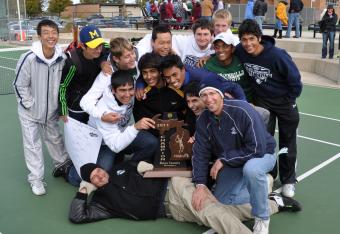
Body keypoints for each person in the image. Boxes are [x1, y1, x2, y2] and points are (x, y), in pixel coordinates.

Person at [69, 162, 302, 233]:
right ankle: (274, 204)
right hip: (169, 211)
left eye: (98, 170)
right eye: (93, 177)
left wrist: (146, 167)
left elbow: (153, 165)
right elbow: (77, 216)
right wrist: (83, 191)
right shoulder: (102, 203)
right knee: (215, 215)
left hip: (173, 187)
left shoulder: (124, 167)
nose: (98, 175)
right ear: (91, 183)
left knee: (209, 211)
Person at [192, 77, 278, 234]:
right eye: (204, 95)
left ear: (222, 94)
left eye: (213, 93)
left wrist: (224, 159)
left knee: (252, 170)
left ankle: (262, 217)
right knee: (223, 200)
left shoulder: (243, 110)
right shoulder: (203, 119)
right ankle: (261, 186)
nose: (209, 99)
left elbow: (257, 148)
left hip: (262, 155)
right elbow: (200, 152)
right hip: (235, 161)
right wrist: (200, 184)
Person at [235, 19, 303, 198]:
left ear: (259, 38)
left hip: (284, 102)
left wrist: (289, 100)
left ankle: (288, 180)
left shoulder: (277, 55)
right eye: (244, 39)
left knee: (288, 141)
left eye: (251, 38)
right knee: (264, 141)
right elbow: (224, 54)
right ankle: (269, 176)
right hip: (263, 101)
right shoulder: (240, 51)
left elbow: (295, 80)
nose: (248, 43)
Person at [13, 19, 70, 196]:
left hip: (51, 112)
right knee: (32, 145)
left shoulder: (62, 58)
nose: (51, 36)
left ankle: (62, 166)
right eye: (46, 32)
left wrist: (57, 107)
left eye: (54, 32)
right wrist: (30, 105)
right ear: (39, 36)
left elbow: (63, 84)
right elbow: (19, 85)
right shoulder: (28, 58)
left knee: (55, 139)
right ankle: (36, 179)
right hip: (29, 112)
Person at [88, 70, 158, 173]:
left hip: (121, 132)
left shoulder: (132, 94)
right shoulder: (104, 111)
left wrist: (139, 86)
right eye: (122, 90)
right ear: (113, 90)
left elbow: (142, 77)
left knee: (152, 142)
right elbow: (115, 145)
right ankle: (70, 172)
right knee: (103, 172)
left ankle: (130, 167)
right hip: (104, 143)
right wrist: (135, 127)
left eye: (130, 89)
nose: (127, 94)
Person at [80, 37, 138, 122]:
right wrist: (102, 115)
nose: (133, 58)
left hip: (123, 121)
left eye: (133, 53)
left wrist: (141, 84)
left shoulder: (136, 64)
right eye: (127, 56)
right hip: (105, 125)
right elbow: (85, 101)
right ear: (116, 59)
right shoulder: (107, 74)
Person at [59, 25, 107, 124]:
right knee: (79, 137)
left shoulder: (103, 49)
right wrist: (63, 109)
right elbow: (62, 87)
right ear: (82, 45)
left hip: (96, 104)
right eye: (94, 46)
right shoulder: (72, 63)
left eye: (100, 45)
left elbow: (112, 48)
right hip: (78, 107)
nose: (98, 50)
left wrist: (102, 62)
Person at [133, 52, 187, 136]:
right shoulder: (141, 94)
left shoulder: (178, 91)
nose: (149, 76)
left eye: (152, 71)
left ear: (161, 72)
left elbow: (186, 117)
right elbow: (139, 120)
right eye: (144, 72)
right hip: (152, 140)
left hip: (176, 137)